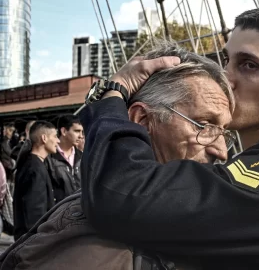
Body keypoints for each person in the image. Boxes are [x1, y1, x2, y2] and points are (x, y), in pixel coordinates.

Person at [78, 6, 259, 270]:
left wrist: (115, 91)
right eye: (227, 60)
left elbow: (120, 194)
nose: (226, 77)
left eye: (249, 65)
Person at [0, 43, 234, 270]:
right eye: (204, 125)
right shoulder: (88, 250)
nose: (222, 150)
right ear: (142, 120)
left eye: (224, 132)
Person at [13, 121, 60, 240]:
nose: (58, 141)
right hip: (34, 239)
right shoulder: (34, 168)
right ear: (44, 138)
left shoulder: (34, 163)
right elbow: (34, 211)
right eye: (55, 136)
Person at [46, 115, 83, 202]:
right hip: (59, 211)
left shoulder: (83, 157)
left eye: (82, 132)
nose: (81, 136)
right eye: (77, 131)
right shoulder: (49, 158)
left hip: (82, 209)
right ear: (64, 131)